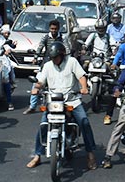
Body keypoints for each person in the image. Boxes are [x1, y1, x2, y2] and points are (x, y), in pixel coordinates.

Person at [27, 41, 98, 170]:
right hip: (53, 102)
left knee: (84, 122)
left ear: (62, 55)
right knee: (43, 125)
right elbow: (41, 81)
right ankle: (37, 155)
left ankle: (91, 154)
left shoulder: (72, 62)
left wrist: (83, 87)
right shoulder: (47, 66)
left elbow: (81, 76)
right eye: (52, 58)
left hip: (72, 100)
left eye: (56, 57)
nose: (54, 60)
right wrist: (36, 88)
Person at [25, 19, 71, 113]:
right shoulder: (45, 37)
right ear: (49, 28)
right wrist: (35, 57)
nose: (53, 31)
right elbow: (40, 47)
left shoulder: (63, 38)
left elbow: (67, 49)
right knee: (36, 84)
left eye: (55, 29)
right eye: (52, 29)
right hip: (46, 63)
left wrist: (68, 60)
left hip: (60, 64)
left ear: (58, 29)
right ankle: (32, 106)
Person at [104, 31, 125, 124]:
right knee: (115, 91)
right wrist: (114, 64)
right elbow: (118, 55)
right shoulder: (122, 47)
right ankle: (108, 115)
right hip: (124, 70)